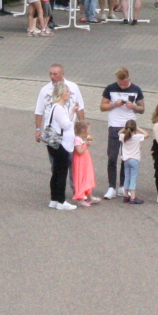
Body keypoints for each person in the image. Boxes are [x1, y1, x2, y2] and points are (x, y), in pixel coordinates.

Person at [35, 66, 82, 210]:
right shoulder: (59, 108)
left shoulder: (54, 107)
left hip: (54, 143)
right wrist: (73, 113)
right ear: (61, 93)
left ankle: (54, 199)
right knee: (61, 172)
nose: (69, 94)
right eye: (67, 92)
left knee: (56, 171)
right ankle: (61, 201)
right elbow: (67, 125)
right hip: (61, 144)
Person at [100, 67, 144, 189]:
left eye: (125, 83)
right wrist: (114, 104)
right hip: (114, 125)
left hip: (129, 126)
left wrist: (134, 106)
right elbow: (102, 107)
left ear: (129, 79)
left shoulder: (136, 89)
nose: (123, 86)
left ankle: (123, 186)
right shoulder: (110, 88)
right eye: (120, 83)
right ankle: (111, 187)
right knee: (112, 157)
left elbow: (142, 109)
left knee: (127, 157)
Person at [70, 117, 98, 207]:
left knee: (87, 176)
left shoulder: (81, 139)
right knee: (80, 178)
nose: (89, 132)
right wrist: (86, 145)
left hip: (85, 161)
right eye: (88, 130)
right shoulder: (77, 139)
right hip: (80, 162)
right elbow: (79, 151)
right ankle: (80, 198)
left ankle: (89, 196)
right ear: (83, 130)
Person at [117, 120, 143, 203]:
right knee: (133, 178)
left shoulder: (123, 136)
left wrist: (124, 129)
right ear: (134, 129)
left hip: (126, 159)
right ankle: (133, 197)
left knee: (127, 177)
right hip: (135, 159)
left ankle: (126, 195)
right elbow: (147, 134)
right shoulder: (137, 137)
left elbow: (118, 133)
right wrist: (139, 129)